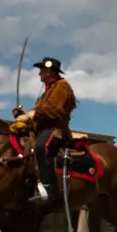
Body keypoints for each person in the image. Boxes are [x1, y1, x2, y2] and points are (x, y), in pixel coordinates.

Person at [12, 57, 76, 204]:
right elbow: (39, 111)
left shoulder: (62, 87)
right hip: (41, 130)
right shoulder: (46, 92)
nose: (39, 74)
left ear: (48, 72)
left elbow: (54, 109)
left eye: (41, 71)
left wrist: (32, 114)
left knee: (42, 147)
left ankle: (49, 188)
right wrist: (24, 116)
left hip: (56, 130)